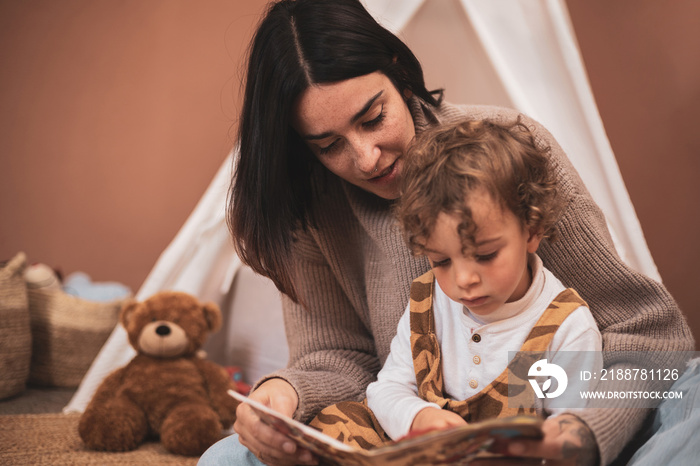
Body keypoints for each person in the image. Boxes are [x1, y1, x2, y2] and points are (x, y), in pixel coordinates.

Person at [198, 1, 694, 465]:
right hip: (411, 428)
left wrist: (584, 432)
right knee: (226, 457)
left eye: (373, 118)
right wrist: (287, 393)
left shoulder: (512, 151)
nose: (366, 158)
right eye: (329, 146)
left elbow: (645, 331)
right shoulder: (312, 209)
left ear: (400, 74)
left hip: (562, 421)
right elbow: (342, 360)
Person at [308, 118, 604, 451]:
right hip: (427, 453)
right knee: (335, 422)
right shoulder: (428, 303)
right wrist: (419, 417)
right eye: (442, 261)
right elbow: (386, 389)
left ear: (532, 230)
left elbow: (570, 438)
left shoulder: (566, 328)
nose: (464, 281)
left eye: (486, 255)